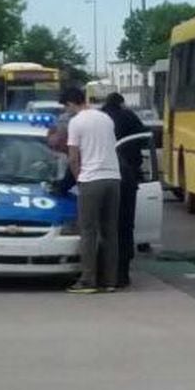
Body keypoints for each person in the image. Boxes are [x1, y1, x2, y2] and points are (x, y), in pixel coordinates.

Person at [60, 87, 122, 294]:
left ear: (71, 103)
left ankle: (88, 280)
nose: (67, 111)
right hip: (113, 178)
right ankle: (111, 280)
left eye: (66, 107)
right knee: (110, 231)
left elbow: (73, 156)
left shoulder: (76, 122)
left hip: (91, 179)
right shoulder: (106, 118)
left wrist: (79, 179)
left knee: (88, 231)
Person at [100, 92, 147, 288]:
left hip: (101, 176)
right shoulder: (129, 116)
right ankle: (123, 274)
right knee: (126, 226)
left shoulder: (100, 118)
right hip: (128, 176)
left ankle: (104, 272)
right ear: (121, 103)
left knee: (105, 227)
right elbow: (144, 139)